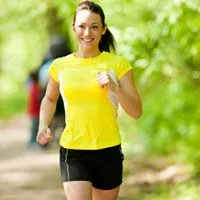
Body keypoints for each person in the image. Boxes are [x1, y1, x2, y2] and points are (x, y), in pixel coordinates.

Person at [36, 1, 142, 199]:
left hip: (108, 150)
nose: (87, 32)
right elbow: (49, 98)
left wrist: (115, 88)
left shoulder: (118, 65)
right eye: (82, 26)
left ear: (103, 29)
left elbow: (136, 111)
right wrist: (43, 124)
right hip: (73, 150)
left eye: (94, 26)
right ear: (74, 28)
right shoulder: (60, 65)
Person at [26, 70, 42, 149]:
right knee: (34, 127)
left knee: (34, 126)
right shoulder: (35, 88)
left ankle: (32, 142)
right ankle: (32, 142)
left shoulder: (33, 87)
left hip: (34, 111)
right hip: (35, 111)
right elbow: (36, 99)